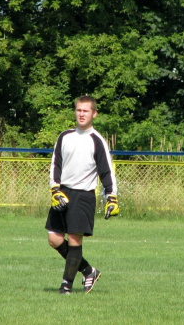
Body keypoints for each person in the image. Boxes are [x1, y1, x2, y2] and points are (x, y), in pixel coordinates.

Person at [45, 95, 120, 294]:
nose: (81, 114)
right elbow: (56, 164)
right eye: (79, 110)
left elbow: (106, 171)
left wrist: (111, 196)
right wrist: (55, 190)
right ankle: (88, 271)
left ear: (94, 114)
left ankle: (66, 286)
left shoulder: (97, 140)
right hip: (63, 193)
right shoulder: (65, 136)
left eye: (86, 111)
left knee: (75, 240)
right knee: (54, 238)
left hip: (84, 195)